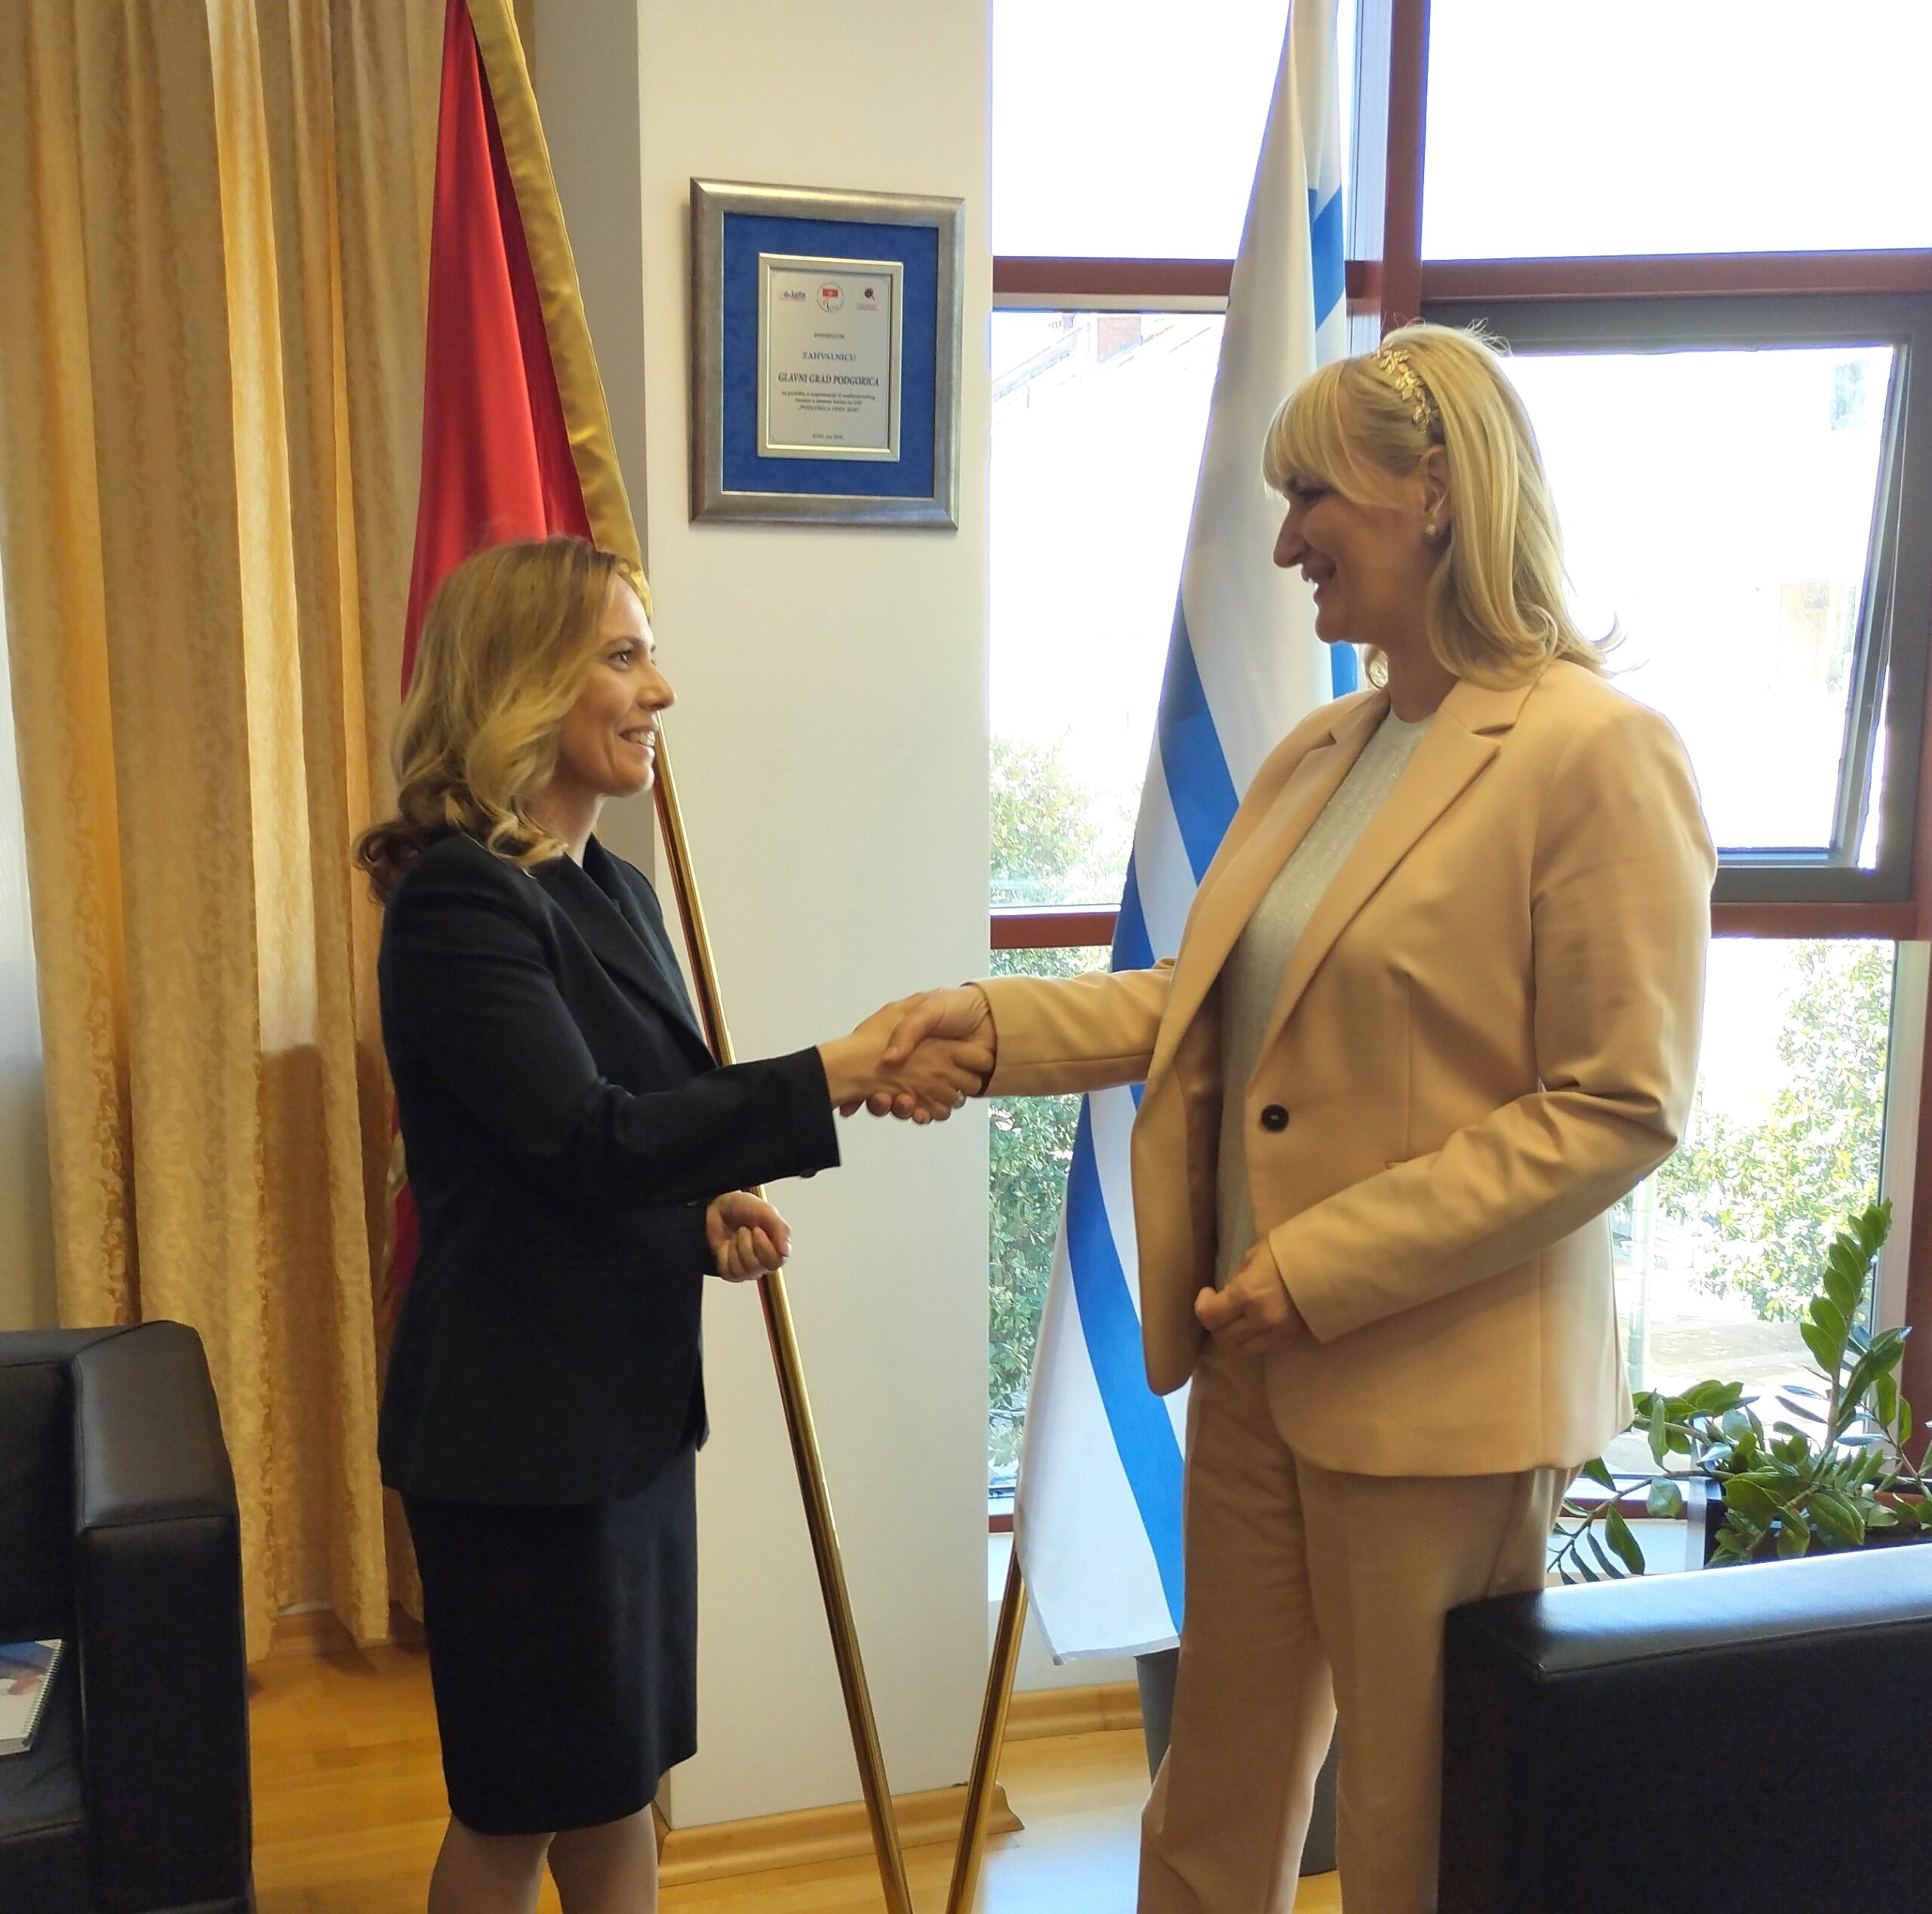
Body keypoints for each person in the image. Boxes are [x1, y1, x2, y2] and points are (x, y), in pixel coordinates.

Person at [872, 323, 1715, 1913]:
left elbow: (1616, 1104)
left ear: (1435, 489)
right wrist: (988, 1029)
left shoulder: (1596, 752)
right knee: (1209, 1801)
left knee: (1413, 1834)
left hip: (1436, 1399)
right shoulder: (1326, 747)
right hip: (1254, 1365)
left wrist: (1320, 1266)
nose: (1283, 543)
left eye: (1311, 496)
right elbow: (1199, 1001)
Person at [355, 536, 986, 1914]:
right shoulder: (461, 901)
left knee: (616, 1780)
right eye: (624, 655)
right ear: (528, 679)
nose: (661, 690)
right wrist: (837, 1071)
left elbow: (635, 1132)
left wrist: (705, 1208)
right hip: (517, 1442)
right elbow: (586, 1142)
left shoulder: (614, 891)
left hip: (625, 1426)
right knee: (516, 1807)